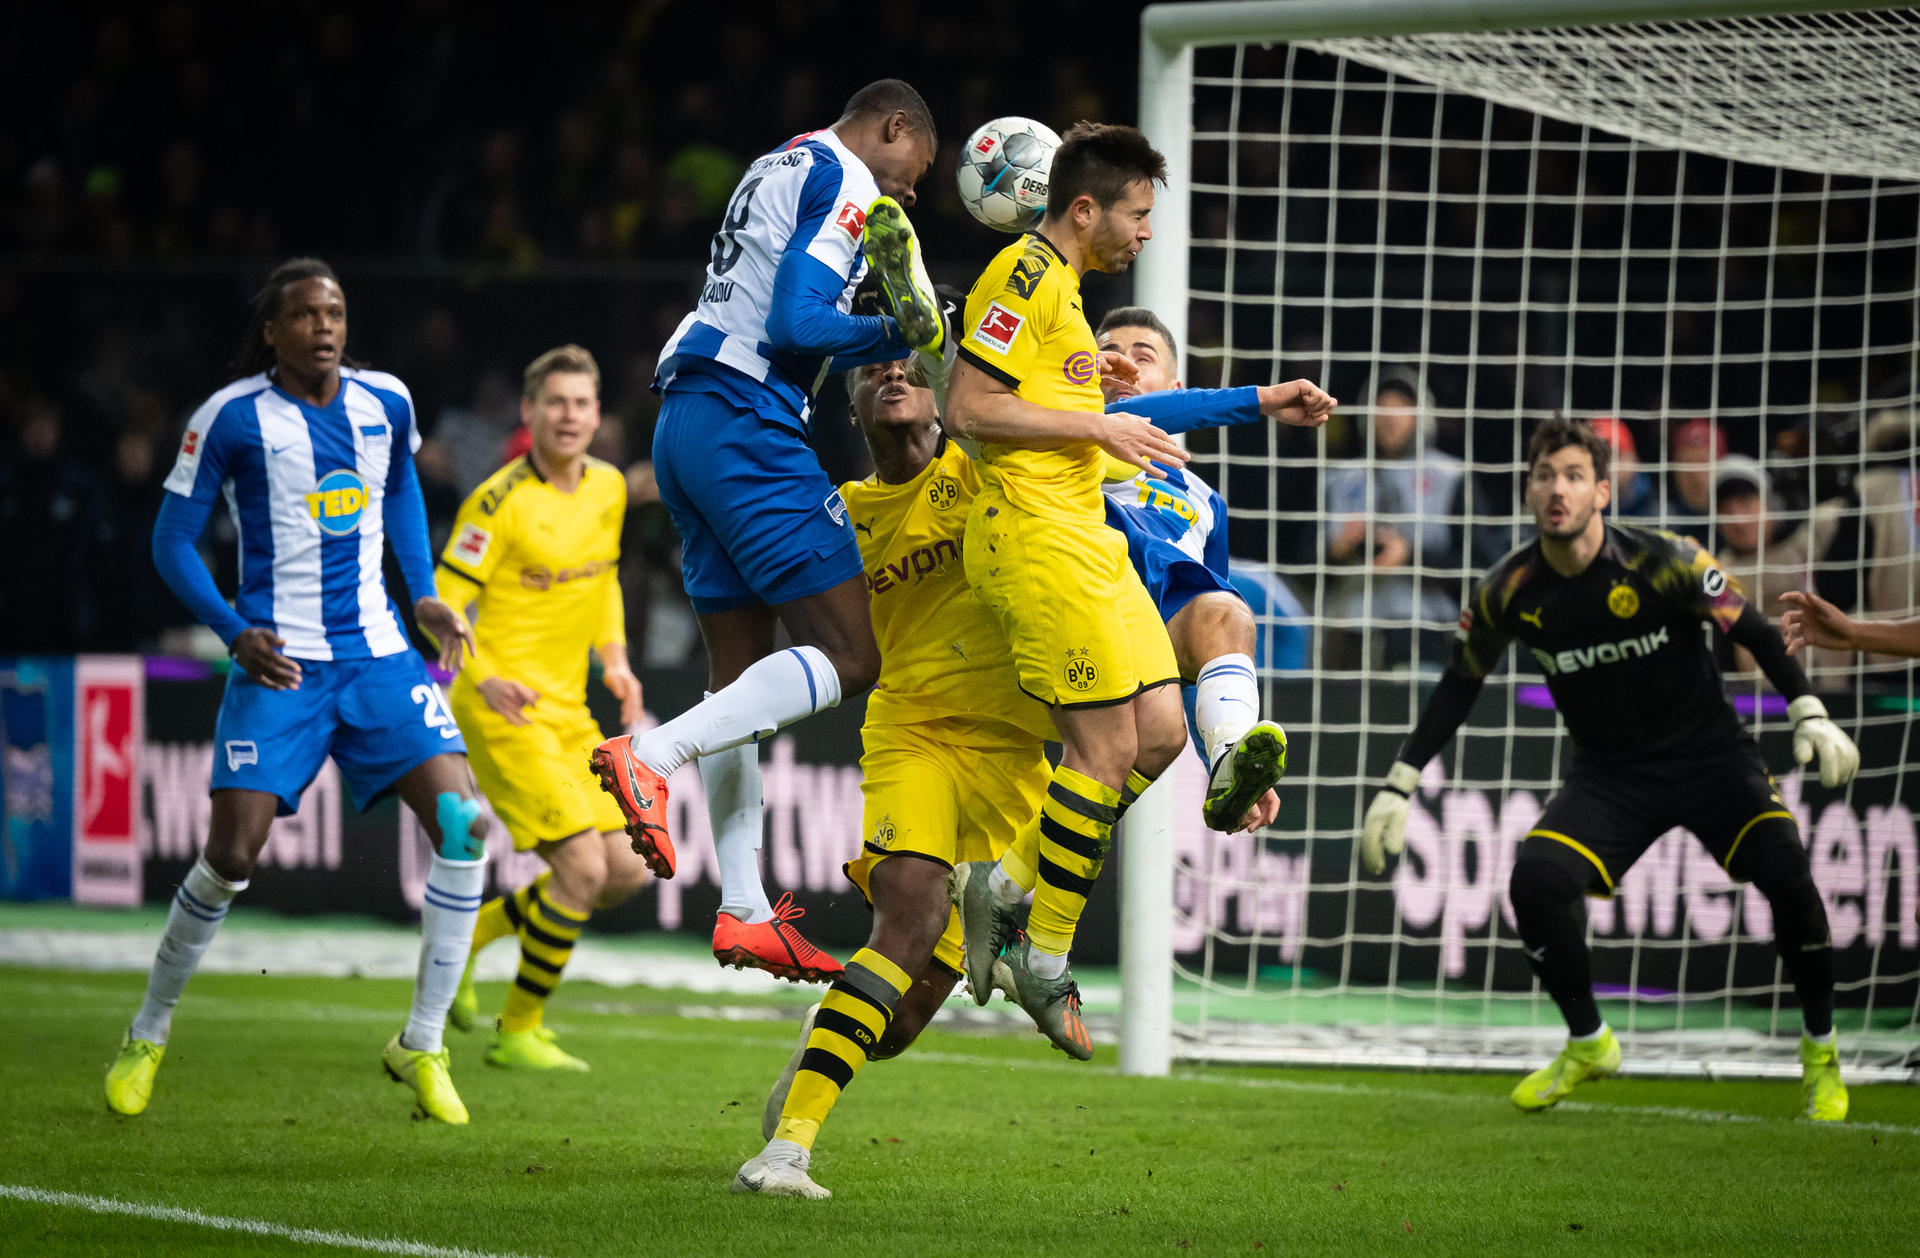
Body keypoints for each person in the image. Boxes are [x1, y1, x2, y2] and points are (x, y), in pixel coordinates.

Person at [735, 335, 1331, 1197]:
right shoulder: (839, 515)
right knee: (904, 919)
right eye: (872, 368)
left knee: (900, 1021)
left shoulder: (988, 471)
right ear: (852, 404)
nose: (892, 372)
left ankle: (841, 1037)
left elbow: (1119, 421)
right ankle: (786, 1152)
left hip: (1016, 758)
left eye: (907, 363)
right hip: (917, 738)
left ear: (949, 399)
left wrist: (1257, 402)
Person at [1358, 418, 1859, 1121]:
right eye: (1543, 475)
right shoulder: (1508, 589)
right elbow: (1460, 682)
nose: (1556, 489)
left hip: (1711, 757)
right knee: (1535, 883)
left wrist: (1808, 710)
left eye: (1571, 476)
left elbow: (1754, 633)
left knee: (1788, 875)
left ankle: (1822, 1056)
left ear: (1602, 493)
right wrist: (1399, 783)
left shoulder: (1668, 560)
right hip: (1612, 777)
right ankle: (1589, 1041)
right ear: (1529, 491)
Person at [106, 258, 491, 1124]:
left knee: (464, 826)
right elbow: (171, 542)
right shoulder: (233, 418)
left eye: (338, 312)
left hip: (380, 654)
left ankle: (423, 1043)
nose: (326, 326)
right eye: (308, 315)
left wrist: (422, 591)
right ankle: (149, 1030)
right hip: (279, 659)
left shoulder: (385, 402)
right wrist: (232, 629)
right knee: (232, 855)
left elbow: (398, 498)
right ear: (273, 331)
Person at [590, 81, 943, 985]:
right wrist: (900, 326)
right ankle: (651, 753)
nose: (909, 194)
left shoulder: (782, 158)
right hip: (746, 417)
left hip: (687, 418)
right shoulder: (853, 181)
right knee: (854, 656)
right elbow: (796, 323)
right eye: (918, 171)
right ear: (894, 128)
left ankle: (743, 908)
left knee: (739, 682)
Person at [942, 122, 1196, 1059]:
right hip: (1036, 538)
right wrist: (1099, 432)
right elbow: (966, 408)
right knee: (1103, 747)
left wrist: (1102, 389)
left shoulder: (1068, 293)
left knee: (1164, 734)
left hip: (1085, 537)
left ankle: (1003, 885)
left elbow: (1040, 395)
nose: (1146, 234)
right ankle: (1041, 957)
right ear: (1082, 208)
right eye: (1136, 214)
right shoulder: (1020, 273)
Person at [431, 345, 653, 1073]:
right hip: (500, 710)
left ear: (598, 415)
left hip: (567, 710)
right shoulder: (495, 502)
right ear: (529, 414)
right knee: (582, 872)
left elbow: (604, 581)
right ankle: (517, 1029)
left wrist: (615, 660)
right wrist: (486, 677)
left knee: (628, 870)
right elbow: (444, 608)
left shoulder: (610, 489)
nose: (569, 416)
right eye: (555, 402)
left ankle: (468, 940)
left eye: (581, 403)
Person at [1322, 366, 1468, 668]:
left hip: (1423, 625)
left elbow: (1476, 562)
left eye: (1400, 408)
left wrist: (1409, 556)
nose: (1389, 418)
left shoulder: (1451, 476)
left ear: (1421, 416)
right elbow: (1298, 558)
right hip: (1352, 626)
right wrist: (1335, 549)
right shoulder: (1340, 479)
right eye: (1381, 408)